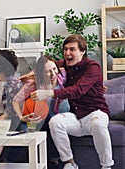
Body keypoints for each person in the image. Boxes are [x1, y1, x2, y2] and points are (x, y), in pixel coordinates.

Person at [31, 34, 114, 169]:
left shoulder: (93, 67)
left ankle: (106, 166)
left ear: (82, 51)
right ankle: (70, 163)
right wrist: (29, 75)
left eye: (72, 49)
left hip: (95, 112)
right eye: (65, 49)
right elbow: (46, 66)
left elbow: (78, 90)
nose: (67, 53)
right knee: (55, 122)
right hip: (76, 116)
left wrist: (48, 93)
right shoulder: (65, 65)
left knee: (98, 124)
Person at [12, 55, 70, 168]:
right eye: (48, 71)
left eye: (54, 69)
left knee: (53, 120)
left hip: (61, 118)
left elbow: (71, 67)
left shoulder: (63, 75)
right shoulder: (34, 85)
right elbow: (15, 101)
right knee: (26, 129)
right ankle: (11, 161)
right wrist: (20, 116)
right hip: (41, 120)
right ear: (40, 73)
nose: (53, 74)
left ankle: (55, 161)